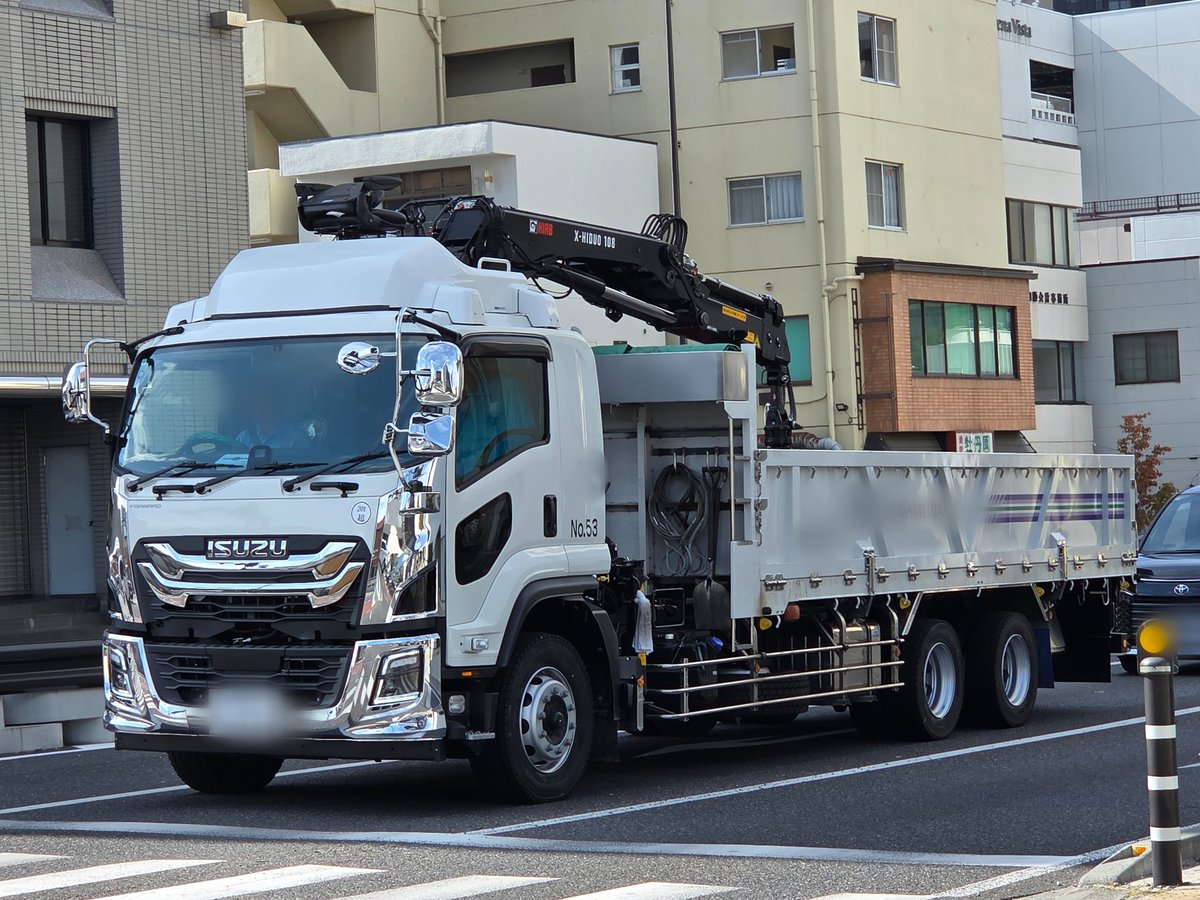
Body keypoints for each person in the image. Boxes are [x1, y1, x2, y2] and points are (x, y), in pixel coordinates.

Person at [236, 381, 307, 449]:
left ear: (276, 406)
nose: (258, 409)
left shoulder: (297, 438)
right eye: (256, 405)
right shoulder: (244, 438)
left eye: (264, 404)